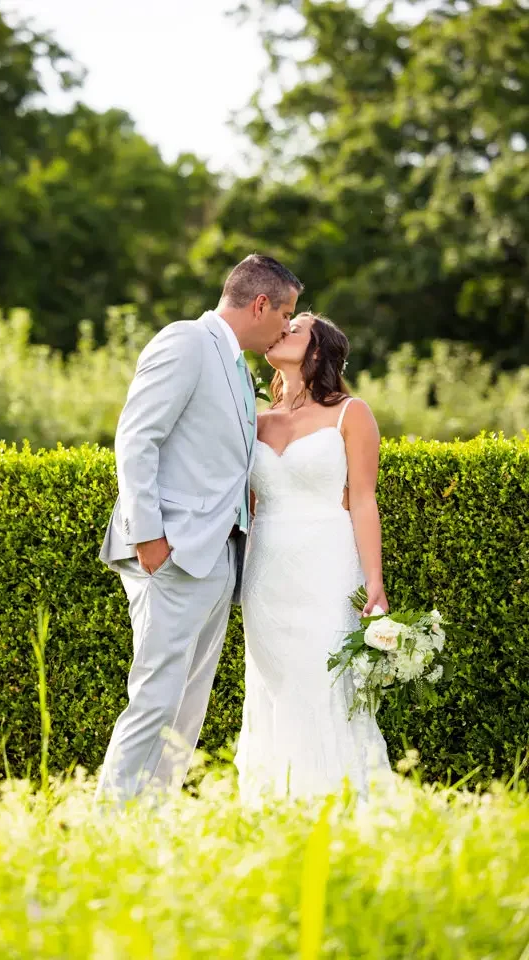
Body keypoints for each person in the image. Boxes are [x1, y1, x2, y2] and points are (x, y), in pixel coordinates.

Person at [96, 254, 303, 805]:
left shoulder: (239, 368)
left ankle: (152, 818)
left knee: (188, 705)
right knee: (156, 698)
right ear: (260, 304)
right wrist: (148, 538)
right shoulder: (186, 341)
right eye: (285, 313)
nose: (287, 327)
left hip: (218, 558)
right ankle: (108, 821)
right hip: (170, 552)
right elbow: (136, 438)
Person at [235, 311, 391, 804]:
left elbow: (363, 499)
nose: (282, 330)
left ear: (317, 350)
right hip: (267, 573)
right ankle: (278, 808)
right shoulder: (253, 420)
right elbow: (250, 505)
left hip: (327, 564)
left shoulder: (351, 413)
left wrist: (375, 584)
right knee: (274, 687)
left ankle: (335, 807)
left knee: (322, 681)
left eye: (295, 328)